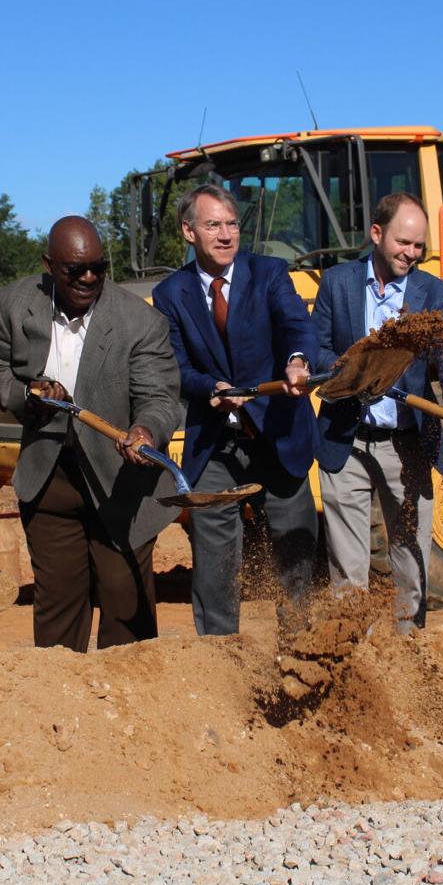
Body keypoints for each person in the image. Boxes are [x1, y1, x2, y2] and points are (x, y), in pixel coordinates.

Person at [0, 216, 182, 651]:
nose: (89, 277)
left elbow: (160, 397)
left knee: (125, 602)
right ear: (49, 265)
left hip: (122, 481)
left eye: (98, 267)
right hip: (49, 478)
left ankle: (128, 691)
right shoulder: (13, 304)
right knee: (58, 604)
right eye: (76, 269)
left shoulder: (140, 321)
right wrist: (28, 394)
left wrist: (146, 429)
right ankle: (62, 690)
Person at [151, 185, 320, 636]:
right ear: (189, 231)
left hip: (277, 433)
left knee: (294, 551)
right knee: (214, 557)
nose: (226, 235)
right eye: (213, 225)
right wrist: (212, 387)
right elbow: (176, 366)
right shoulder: (170, 293)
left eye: (232, 224)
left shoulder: (269, 273)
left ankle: (301, 649)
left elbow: (296, 326)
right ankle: (219, 653)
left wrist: (297, 361)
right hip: (215, 442)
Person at [312, 192, 443, 632]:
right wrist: (351, 369)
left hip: (406, 445)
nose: (411, 253)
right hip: (345, 440)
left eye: (418, 245)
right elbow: (317, 347)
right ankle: (355, 657)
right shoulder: (338, 282)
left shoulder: (436, 294)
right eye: (403, 242)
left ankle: (409, 653)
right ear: (376, 233)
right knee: (348, 572)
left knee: (411, 563)